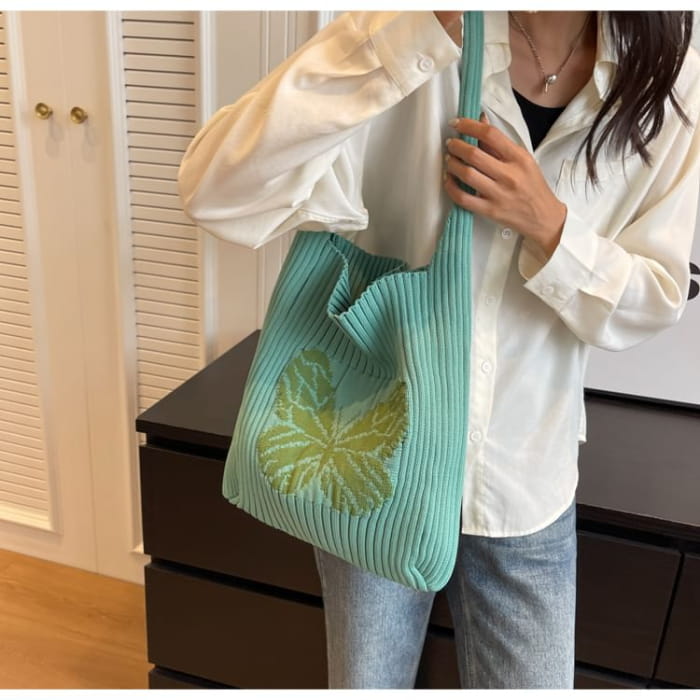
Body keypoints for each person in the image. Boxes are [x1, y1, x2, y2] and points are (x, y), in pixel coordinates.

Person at [177, 11, 699, 689]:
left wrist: (551, 229)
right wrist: (404, 38)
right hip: (373, 448)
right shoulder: (407, 27)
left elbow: (655, 296)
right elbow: (214, 189)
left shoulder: (670, 73)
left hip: (523, 473)